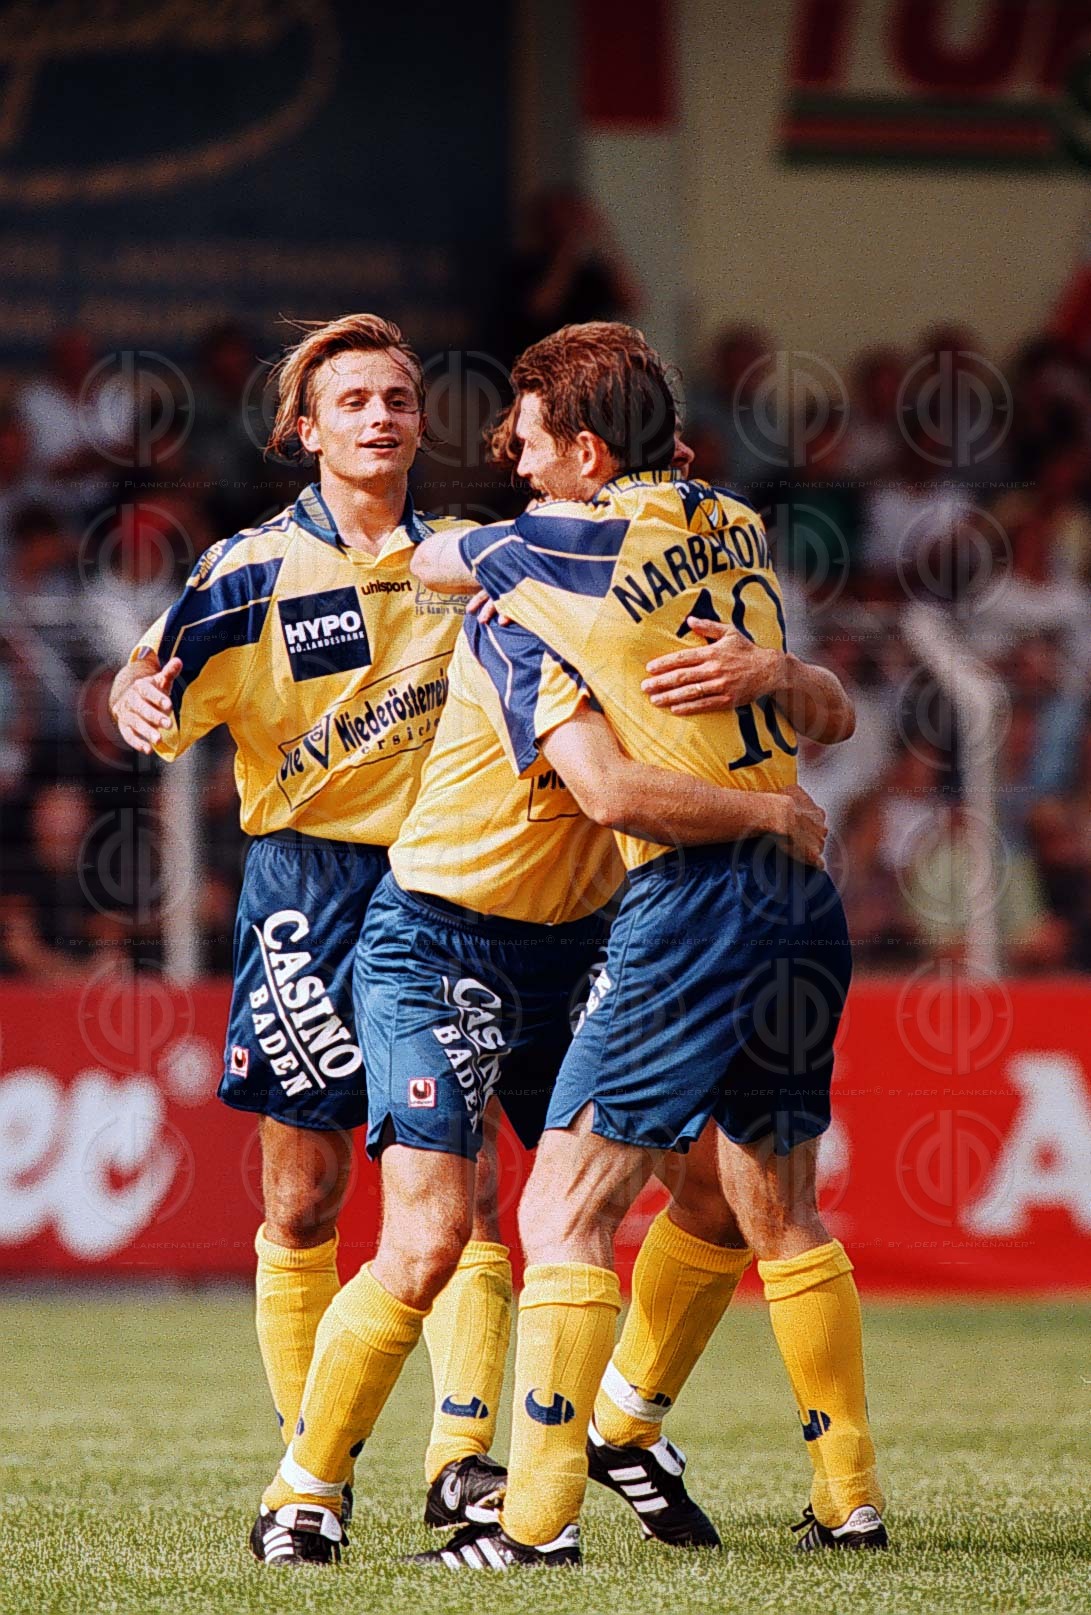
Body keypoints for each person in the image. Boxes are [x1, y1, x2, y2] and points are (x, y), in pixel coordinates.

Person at [408, 322, 886, 1567]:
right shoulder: (733, 522)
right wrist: (774, 679)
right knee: (777, 1203)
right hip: (800, 903)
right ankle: (846, 1497)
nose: (515, 465)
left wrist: (474, 552)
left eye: (527, 443)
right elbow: (832, 711)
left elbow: (430, 559)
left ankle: (533, 1523)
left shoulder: (554, 544)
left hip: (696, 898)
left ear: (584, 450)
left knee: (561, 1205)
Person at [108, 314, 516, 1537]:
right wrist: (132, 695)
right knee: (302, 1195)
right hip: (305, 890)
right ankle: (313, 1455)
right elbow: (147, 679)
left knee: (463, 1181)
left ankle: (463, 1458)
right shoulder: (245, 570)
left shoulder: (470, 559)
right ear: (304, 429)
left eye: (397, 398)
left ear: (420, 422)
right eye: (353, 401)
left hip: (442, 884)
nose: (379, 417)